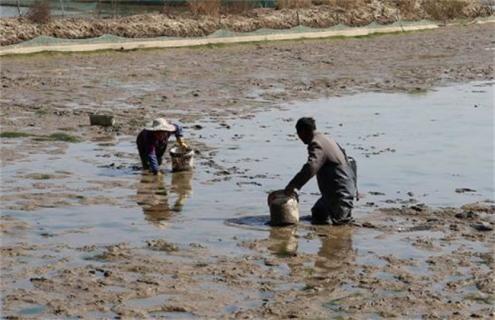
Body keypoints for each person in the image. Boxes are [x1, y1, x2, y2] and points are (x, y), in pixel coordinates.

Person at [285, 117, 356, 225]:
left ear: (303, 131)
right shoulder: (326, 139)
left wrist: (293, 186)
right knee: (318, 212)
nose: (299, 137)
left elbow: (311, 167)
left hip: (340, 196)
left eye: (298, 134)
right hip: (340, 193)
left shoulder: (317, 144)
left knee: (337, 226)